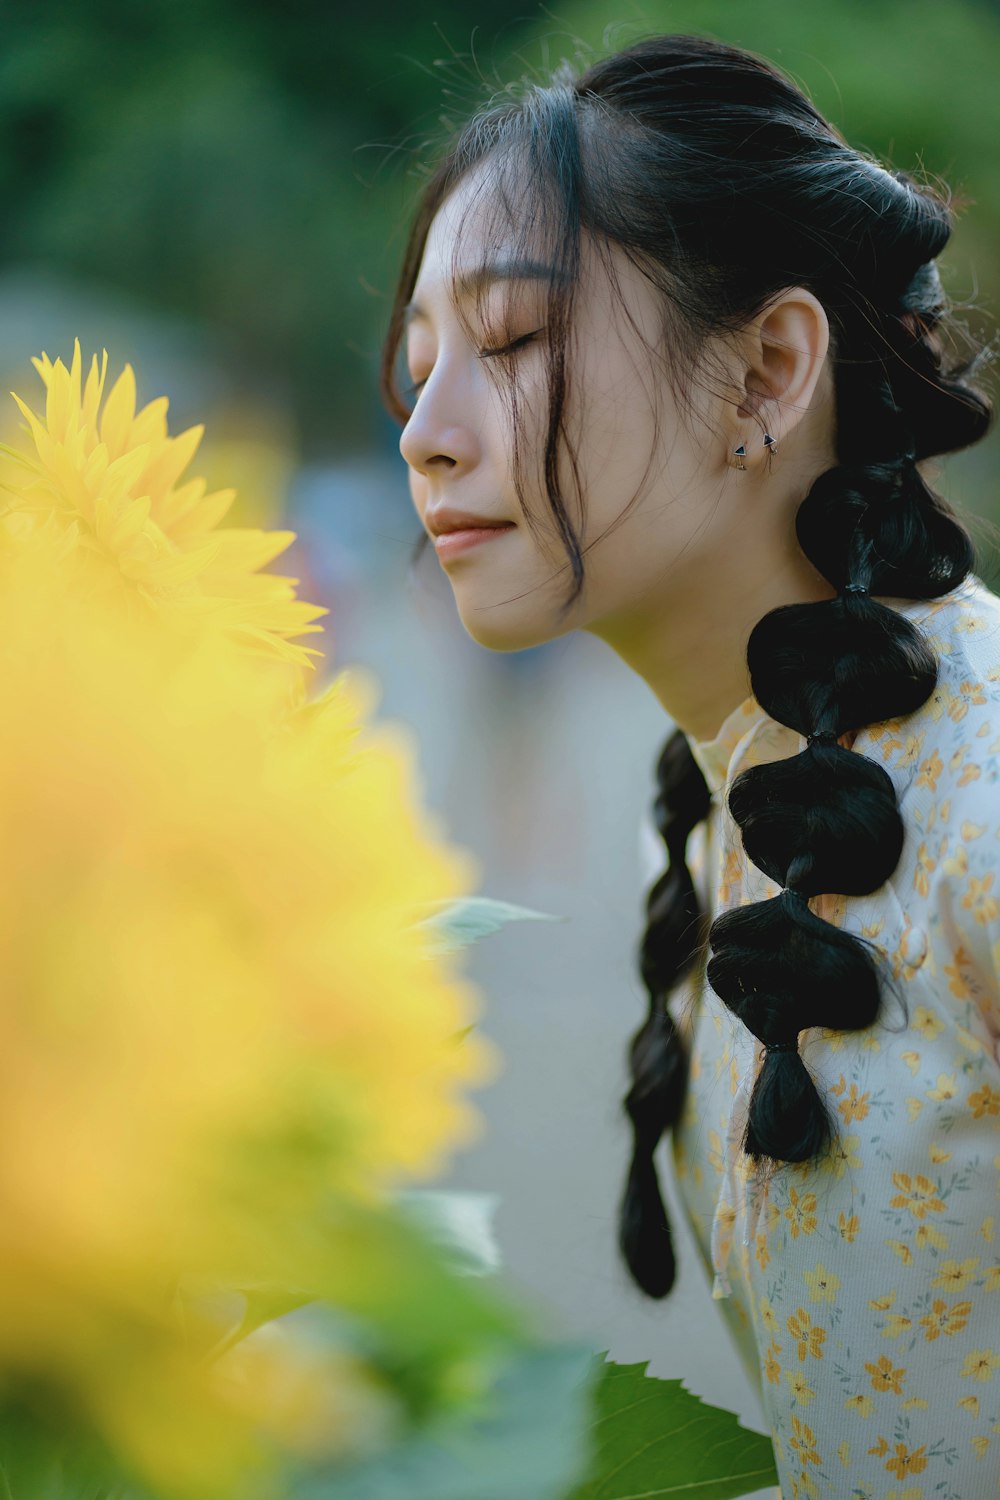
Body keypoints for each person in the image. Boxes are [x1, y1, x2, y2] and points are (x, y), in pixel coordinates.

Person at [379, 32, 999, 1499]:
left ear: (769, 370)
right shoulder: (749, 790)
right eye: (415, 372)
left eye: (513, 345)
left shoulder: (985, 798)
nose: (424, 435)